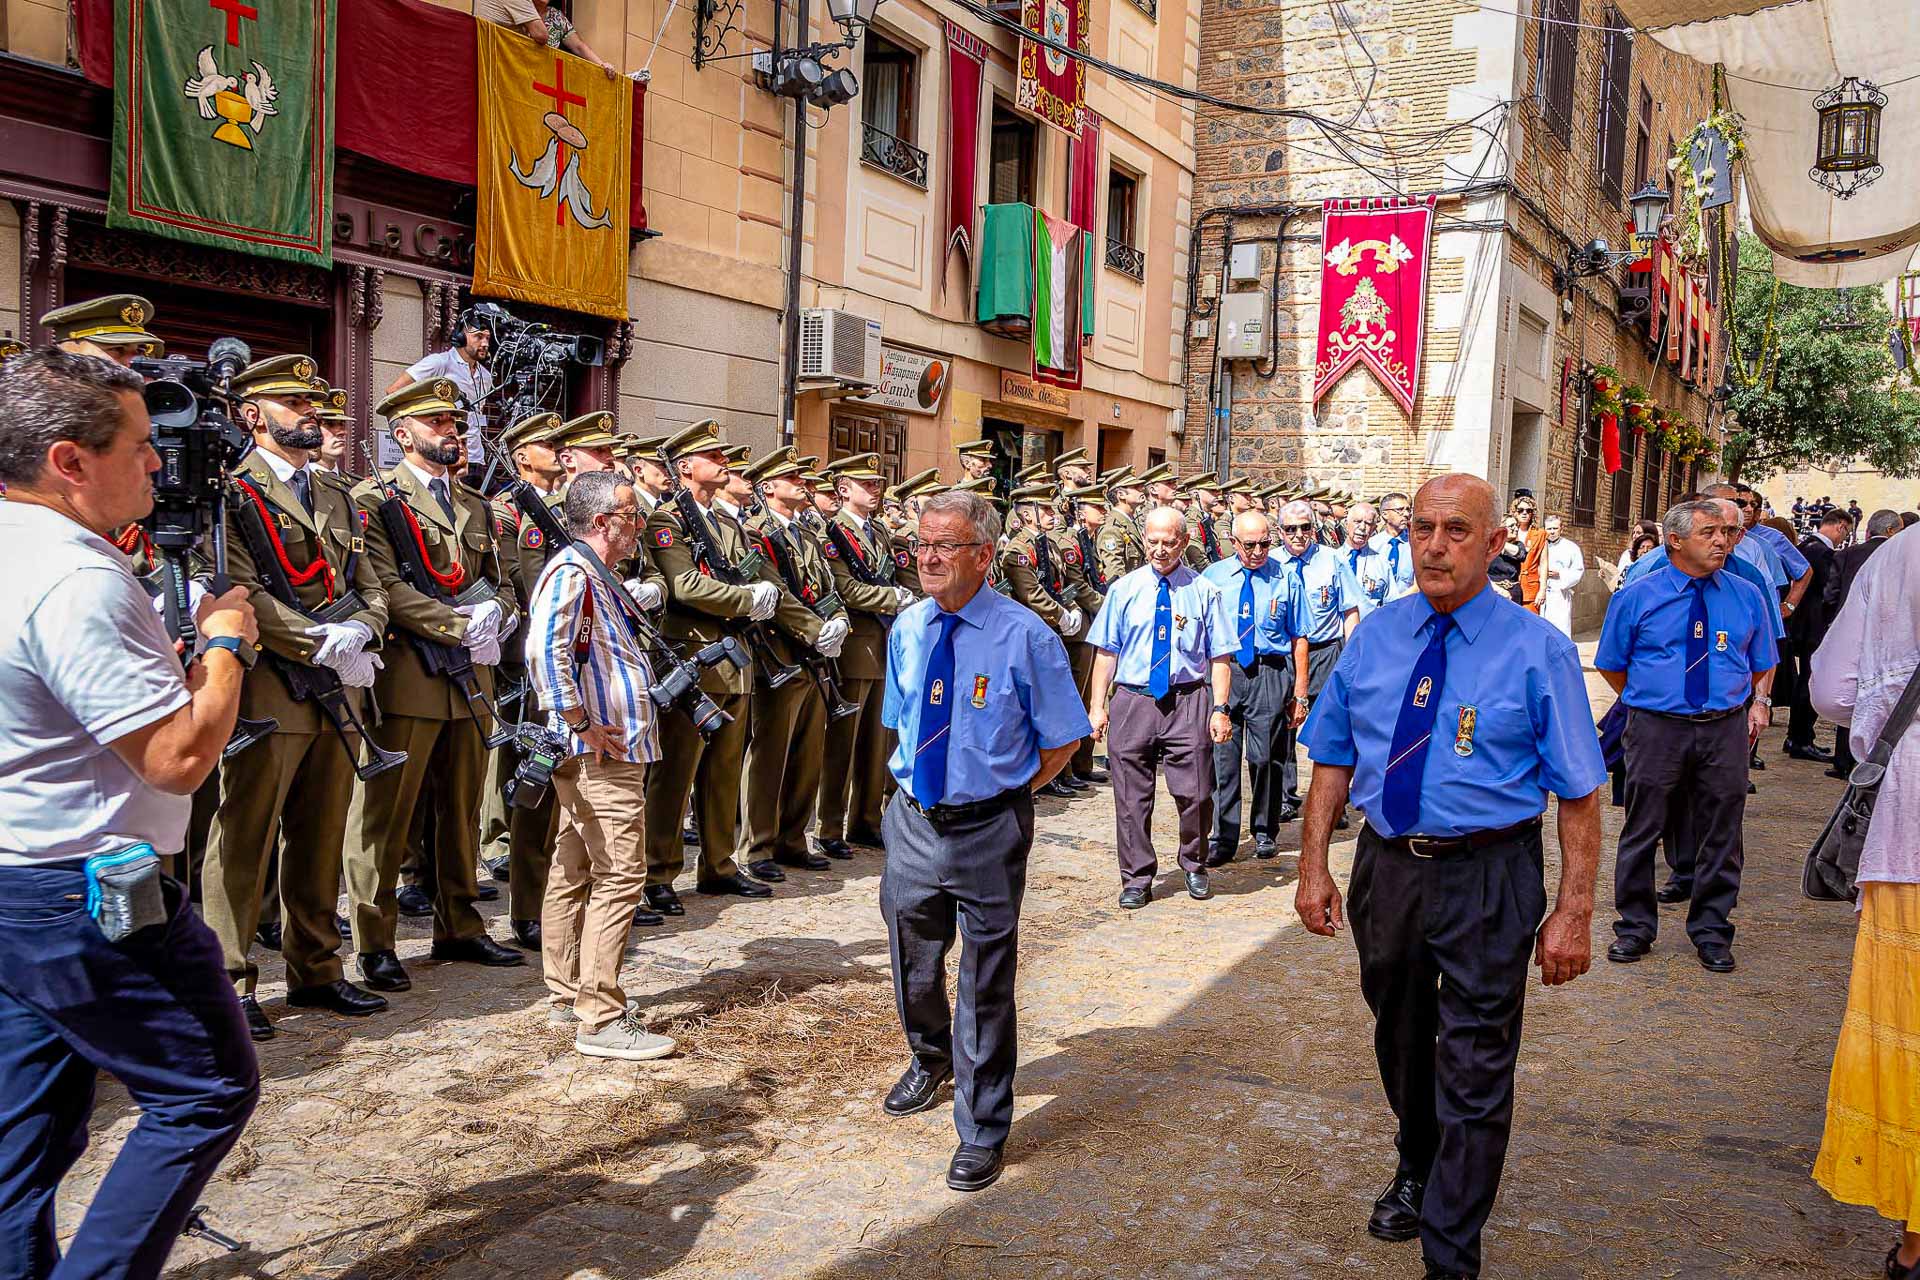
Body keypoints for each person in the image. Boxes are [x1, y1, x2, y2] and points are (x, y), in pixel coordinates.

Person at [1294, 473, 1605, 1280]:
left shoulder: (1536, 649)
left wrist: (1574, 910)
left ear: (1495, 542)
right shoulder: (1375, 636)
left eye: (1457, 530)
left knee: (1476, 1058)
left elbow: (1578, 792)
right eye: (1423, 528)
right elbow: (1332, 756)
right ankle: (1418, 1158)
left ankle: (1450, 1249)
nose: (1435, 546)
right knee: (1399, 1035)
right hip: (1389, 869)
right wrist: (1313, 865)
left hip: (1490, 874)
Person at [0, 347, 261, 1278]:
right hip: (88, 887)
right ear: (69, 461)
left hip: (19, 876)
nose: (160, 462)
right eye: (142, 444)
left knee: (27, 1132)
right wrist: (225, 648)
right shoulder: (76, 577)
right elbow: (177, 759)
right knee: (205, 1091)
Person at [875, 490, 1088, 1192]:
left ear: (984, 555)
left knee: (985, 980)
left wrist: (1003, 796)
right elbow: (903, 720)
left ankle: (983, 1126)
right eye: (922, 545)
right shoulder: (908, 627)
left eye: (946, 545)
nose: (928, 558)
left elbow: (1062, 741)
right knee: (913, 957)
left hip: (989, 827)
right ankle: (931, 1056)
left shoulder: (1026, 636)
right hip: (914, 818)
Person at [201, 355, 392, 1041]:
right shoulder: (232, 492)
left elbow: (370, 582)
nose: (311, 412)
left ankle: (316, 966)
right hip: (271, 686)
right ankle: (230, 980)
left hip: (338, 686)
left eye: (312, 403)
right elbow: (237, 587)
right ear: (252, 416)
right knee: (245, 835)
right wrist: (317, 641)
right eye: (294, 403)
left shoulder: (336, 492)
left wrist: (363, 629)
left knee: (320, 830)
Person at [345, 378, 527, 993]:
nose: (451, 430)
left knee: (461, 807)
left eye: (455, 421)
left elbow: (500, 581)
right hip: (412, 677)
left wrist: (498, 613)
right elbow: (384, 586)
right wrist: (457, 625)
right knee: (387, 815)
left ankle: (460, 924)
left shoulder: (475, 504)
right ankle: (375, 941)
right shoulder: (373, 499)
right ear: (403, 434)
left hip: (471, 676)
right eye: (437, 422)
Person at [523, 470, 677, 1061]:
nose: (639, 525)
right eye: (631, 515)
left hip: (604, 748)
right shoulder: (573, 571)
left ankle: (568, 991)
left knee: (574, 866)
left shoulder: (595, 574)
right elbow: (545, 651)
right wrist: (579, 720)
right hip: (600, 752)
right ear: (603, 522)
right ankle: (601, 1016)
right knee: (620, 874)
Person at [642, 422, 821, 910]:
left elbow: (764, 581)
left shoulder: (729, 525)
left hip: (735, 660)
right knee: (676, 774)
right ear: (685, 467)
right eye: (713, 456)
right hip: (694, 659)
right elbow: (684, 585)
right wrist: (746, 600)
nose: (724, 462)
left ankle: (718, 865)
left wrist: (809, 624)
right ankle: (658, 872)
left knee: (722, 772)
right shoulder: (667, 520)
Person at [1595, 499, 1776, 973]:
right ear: (1675, 541)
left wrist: (1741, 702)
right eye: (1708, 533)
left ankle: (1712, 929)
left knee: (1722, 830)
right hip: (1657, 727)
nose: (1722, 541)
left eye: (1726, 533)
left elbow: (1761, 661)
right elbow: (1612, 663)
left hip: (1723, 728)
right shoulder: (1638, 596)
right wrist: (1654, 697)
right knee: (1643, 827)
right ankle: (1634, 927)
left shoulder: (1745, 594)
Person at [1808, 527, 1920, 1279]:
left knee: (1910, 1025)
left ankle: (1915, 1241)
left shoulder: (1901, 555)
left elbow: (1832, 690)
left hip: (1911, 829)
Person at [1087, 507, 1236, 906]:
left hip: (1187, 699)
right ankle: (1136, 878)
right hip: (1133, 700)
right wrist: (1097, 706)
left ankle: (1194, 862)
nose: (1160, 550)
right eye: (1152, 541)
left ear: (1184, 542)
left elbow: (1221, 655)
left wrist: (1220, 708)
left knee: (1197, 792)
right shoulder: (1124, 590)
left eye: (1169, 542)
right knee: (1131, 798)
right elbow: (1106, 651)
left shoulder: (1204, 591)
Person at [738, 447, 851, 879]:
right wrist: (815, 629)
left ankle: (792, 838)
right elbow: (776, 593)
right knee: (771, 755)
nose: (803, 484)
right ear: (768, 487)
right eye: (792, 478)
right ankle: (758, 847)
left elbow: (828, 588)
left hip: (815, 659)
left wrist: (839, 621)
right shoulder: (755, 533)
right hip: (780, 653)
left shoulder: (806, 533)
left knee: (808, 754)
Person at [817, 452, 915, 858]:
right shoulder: (832, 533)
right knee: (843, 744)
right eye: (866, 484)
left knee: (877, 743)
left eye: (878, 484)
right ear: (843, 489)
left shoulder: (878, 533)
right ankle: (829, 826)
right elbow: (845, 588)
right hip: (855, 647)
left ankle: (866, 821)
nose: (876, 490)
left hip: (883, 646)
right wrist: (893, 597)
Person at [1204, 511, 1308, 865]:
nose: (1259, 551)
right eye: (1250, 545)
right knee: (1224, 760)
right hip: (1227, 671)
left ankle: (1265, 829)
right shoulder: (1214, 577)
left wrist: (1300, 693)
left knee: (1265, 757)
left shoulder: (1285, 577)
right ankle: (1223, 837)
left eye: (1265, 543)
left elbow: (1299, 637)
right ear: (1233, 543)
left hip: (1269, 671)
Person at [1273, 498, 1362, 819]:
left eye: (1305, 527)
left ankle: (1332, 802)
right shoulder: (1271, 563)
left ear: (1314, 528)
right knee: (1282, 727)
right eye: (1290, 529)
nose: (1298, 535)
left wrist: (1352, 659)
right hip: (1285, 655)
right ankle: (1285, 797)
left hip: (1325, 652)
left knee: (1331, 730)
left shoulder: (1332, 560)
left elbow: (1350, 610)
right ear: (1279, 531)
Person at [1822, 508, 1901, 778]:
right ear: (1890, 531)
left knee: (1848, 693)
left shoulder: (1847, 554)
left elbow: (1830, 596)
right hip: (1884, 638)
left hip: (1847, 633)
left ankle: (1842, 760)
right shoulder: (1898, 558)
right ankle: (1868, 760)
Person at [1780, 507, 1851, 762]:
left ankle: (1796, 737)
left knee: (1805, 681)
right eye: (1846, 533)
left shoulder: (1804, 546)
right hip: (1814, 625)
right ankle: (1801, 739)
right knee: (1810, 682)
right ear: (1841, 526)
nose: (1843, 539)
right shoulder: (1822, 553)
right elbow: (1828, 590)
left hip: (1801, 624)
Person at [387, 311, 495, 471]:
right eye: (478, 337)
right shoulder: (439, 362)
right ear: (461, 337)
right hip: (443, 456)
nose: (485, 343)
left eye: (487, 338)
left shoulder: (485, 376)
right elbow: (394, 391)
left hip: (474, 457)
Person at [481, 0, 620, 74]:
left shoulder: (556, 16)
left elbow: (579, 46)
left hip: (546, 77)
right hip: (516, 71)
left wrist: (602, 65)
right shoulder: (520, 6)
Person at [1537, 515, 1585, 638]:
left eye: (1555, 528)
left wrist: (1560, 573)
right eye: (1549, 529)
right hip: (1540, 591)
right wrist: (1541, 572)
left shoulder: (1571, 547)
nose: (1552, 532)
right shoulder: (1539, 545)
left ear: (1561, 529)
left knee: (1560, 629)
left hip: (1560, 593)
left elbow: (1578, 570)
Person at [1342, 502, 1392, 617]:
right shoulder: (1332, 560)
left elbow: (1391, 604)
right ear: (1346, 524)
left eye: (1368, 523)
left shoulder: (1381, 563)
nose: (1362, 527)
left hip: (1370, 626)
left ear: (1374, 528)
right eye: (1357, 522)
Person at [1369, 490, 1416, 600]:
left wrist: (1395, 604)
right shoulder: (1372, 545)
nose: (1406, 514)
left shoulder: (1415, 544)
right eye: (1400, 510)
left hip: (1407, 604)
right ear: (1385, 514)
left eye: (1408, 510)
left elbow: (1418, 585)